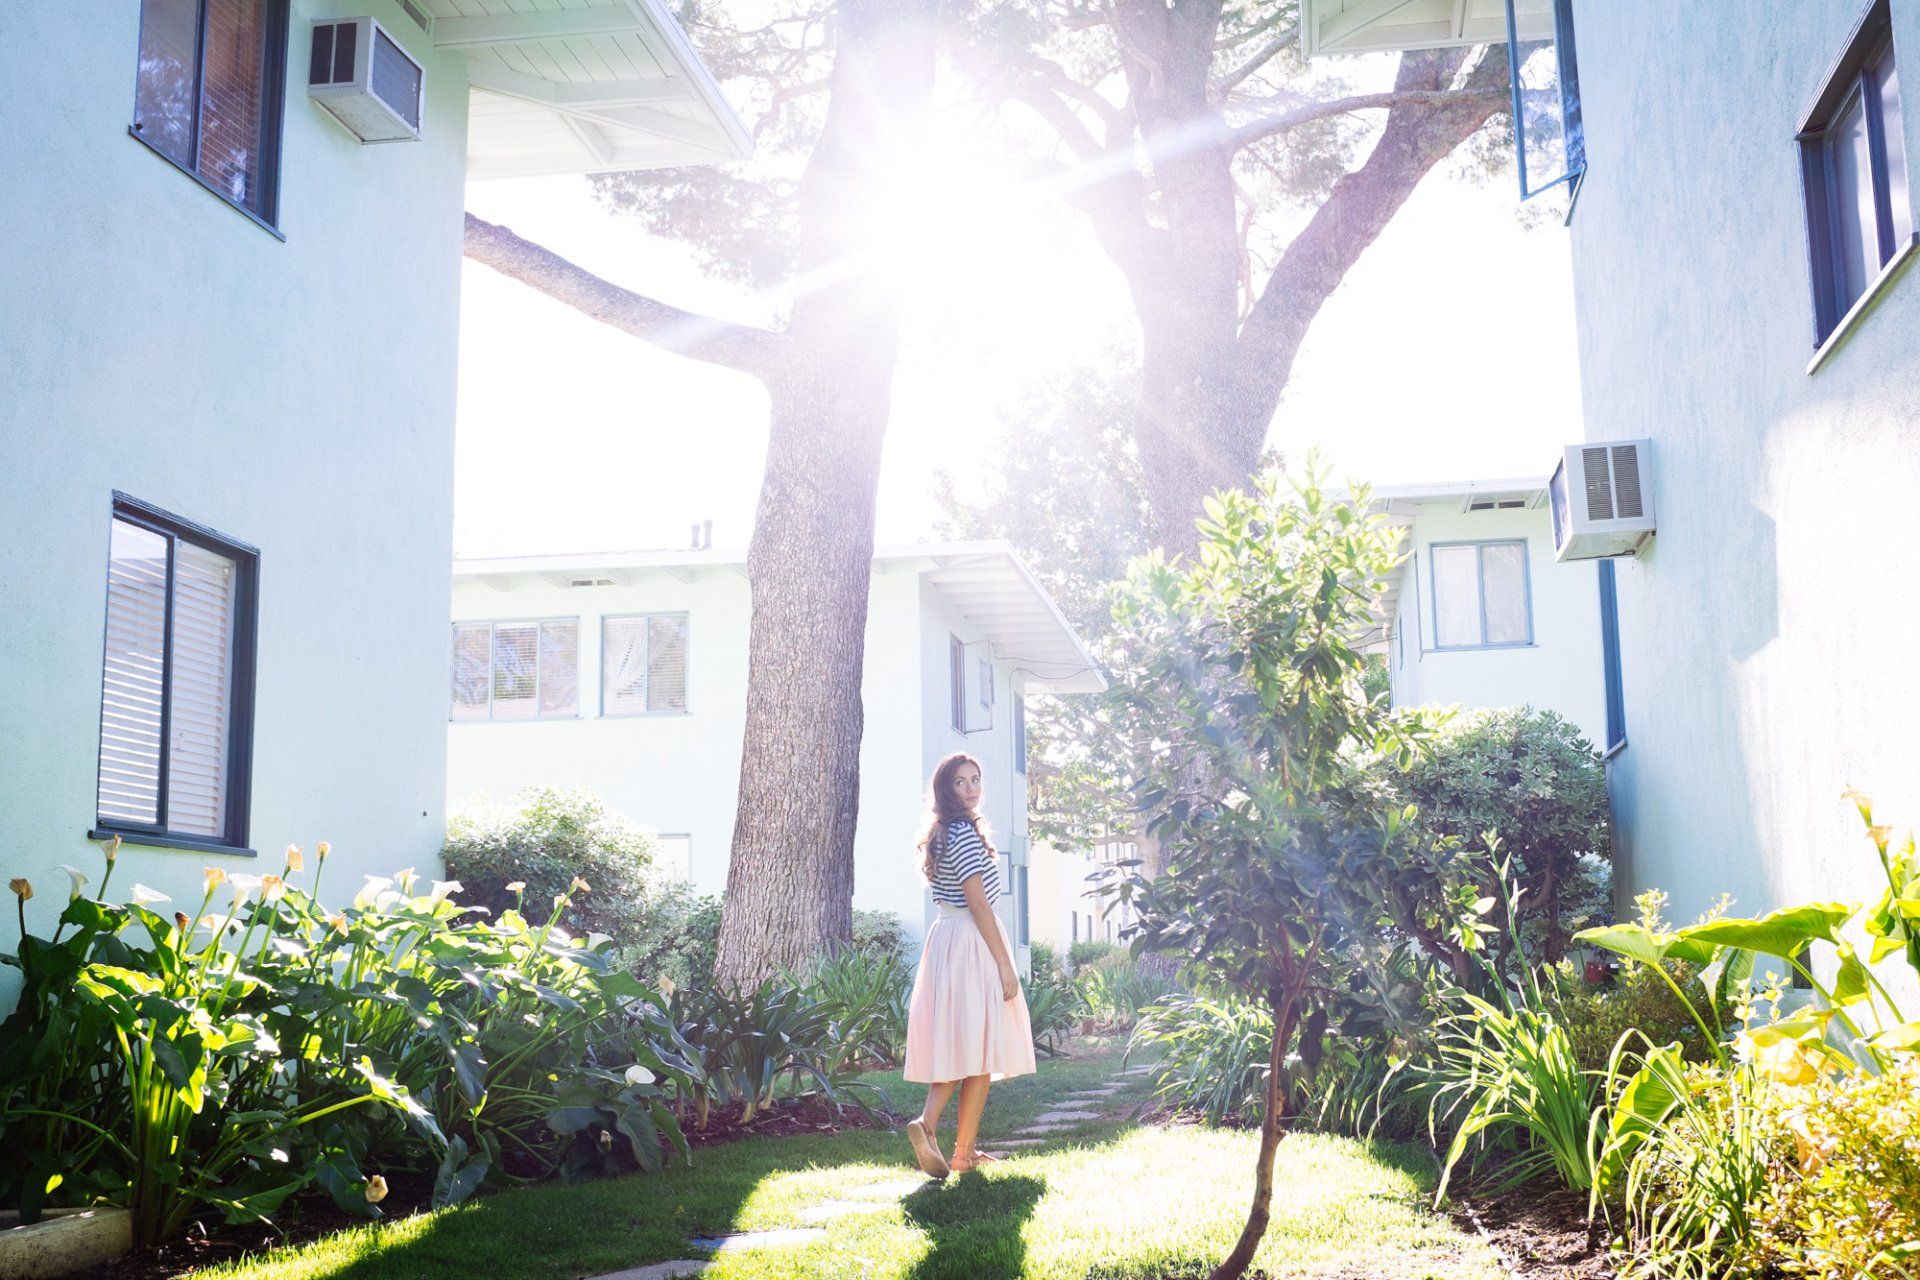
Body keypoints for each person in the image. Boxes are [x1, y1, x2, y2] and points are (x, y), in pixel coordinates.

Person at [901, 752, 1036, 1177]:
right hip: (971, 943)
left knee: (964, 1046)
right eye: (960, 782)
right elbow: (978, 904)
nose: (971, 788)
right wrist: (1004, 965)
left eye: (975, 779)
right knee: (979, 1046)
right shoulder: (961, 834)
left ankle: (943, 1138)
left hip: (947, 940)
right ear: (945, 789)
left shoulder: (943, 833)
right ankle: (952, 1145)